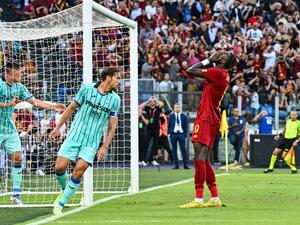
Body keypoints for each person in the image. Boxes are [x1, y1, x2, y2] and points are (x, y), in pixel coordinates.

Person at [49, 68, 121, 214]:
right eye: (117, 78)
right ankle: (65, 191)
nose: (119, 81)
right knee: (59, 167)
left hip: (91, 141)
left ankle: (60, 205)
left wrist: (104, 147)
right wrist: (57, 128)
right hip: (75, 135)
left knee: (78, 171)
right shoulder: (87, 89)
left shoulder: (115, 99)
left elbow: (112, 126)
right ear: (108, 77)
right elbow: (71, 108)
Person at [0, 62, 65, 205]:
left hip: (9, 129)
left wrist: (53, 106)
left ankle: (16, 194)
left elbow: (35, 102)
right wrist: (8, 104)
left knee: (17, 157)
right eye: (20, 73)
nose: (22, 75)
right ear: (11, 73)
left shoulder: (19, 87)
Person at [180, 50, 237, 208]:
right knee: (204, 159)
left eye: (223, 54)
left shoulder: (217, 72)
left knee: (199, 158)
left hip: (206, 117)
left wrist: (207, 60)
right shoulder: (222, 74)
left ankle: (198, 199)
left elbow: (190, 70)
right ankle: (215, 197)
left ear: (224, 61)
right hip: (212, 117)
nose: (219, 53)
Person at [140, 96, 164, 166]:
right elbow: (140, 106)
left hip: (156, 128)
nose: (152, 102)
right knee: (146, 144)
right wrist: (148, 100)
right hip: (149, 129)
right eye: (151, 101)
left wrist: (156, 100)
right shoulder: (148, 108)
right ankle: (144, 160)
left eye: (153, 101)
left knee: (155, 145)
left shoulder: (158, 108)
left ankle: (152, 159)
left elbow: (162, 104)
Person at [168, 103, 189, 169]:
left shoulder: (183, 116)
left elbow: (186, 126)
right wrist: (170, 134)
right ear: (174, 108)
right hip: (173, 134)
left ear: (180, 108)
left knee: (183, 150)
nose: (177, 108)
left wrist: (185, 135)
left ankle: (185, 165)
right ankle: (176, 165)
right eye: (176, 107)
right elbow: (169, 125)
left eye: (178, 107)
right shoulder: (171, 116)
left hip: (181, 134)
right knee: (174, 150)